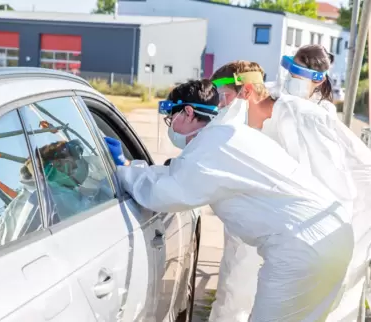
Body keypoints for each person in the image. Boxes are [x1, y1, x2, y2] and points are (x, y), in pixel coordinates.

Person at [105, 79, 354, 321]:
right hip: (330, 235)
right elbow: (179, 173)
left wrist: (123, 171)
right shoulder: (228, 135)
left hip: (301, 247)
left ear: (188, 112)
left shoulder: (214, 145)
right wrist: (131, 166)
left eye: (172, 119)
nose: (171, 127)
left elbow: (167, 193)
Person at [209, 57, 358, 321]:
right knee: (235, 294)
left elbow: (334, 183)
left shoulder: (302, 116)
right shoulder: (253, 116)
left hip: (299, 233)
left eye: (223, 96)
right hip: (261, 231)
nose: (220, 105)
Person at [270, 44, 371, 321]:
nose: (292, 76)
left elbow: (336, 171)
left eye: (299, 71)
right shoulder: (285, 103)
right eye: (290, 68)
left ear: (318, 78)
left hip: (313, 215)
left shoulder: (317, 113)